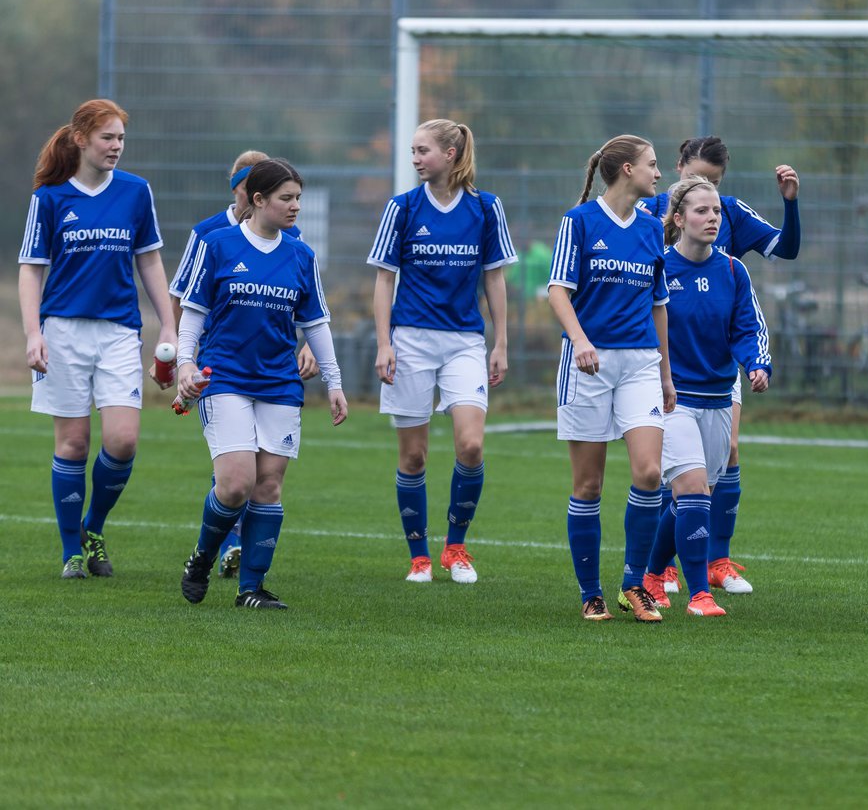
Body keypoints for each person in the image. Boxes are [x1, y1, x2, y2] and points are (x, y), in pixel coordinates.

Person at [176, 158, 347, 610]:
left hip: (279, 384)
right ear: (258, 200)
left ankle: (250, 588)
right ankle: (202, 557)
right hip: (225, 377)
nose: (295, 207)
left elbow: (316, 324)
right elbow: (193, 313)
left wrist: (334, 382)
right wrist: (185, 364)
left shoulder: (301, 256)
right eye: (286, 198)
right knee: (235, 483)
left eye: (298, 199)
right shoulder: (218, 245)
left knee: (268, 485)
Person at [18, 98, 177, 579]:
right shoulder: (49, 197)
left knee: (123, 441)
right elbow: (30, 269)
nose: (116, 147)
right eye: (108, 138)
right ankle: (72, 552)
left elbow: (148, 259)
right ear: (81, 139)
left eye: (121, 139)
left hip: (119, 333)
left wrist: (167, 324)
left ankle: (93, 527)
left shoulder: (135, 191)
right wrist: (32, 334)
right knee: (72, 445)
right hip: (62, 331)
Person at [639, 136, 801, 596]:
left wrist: (757, 363)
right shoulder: (651, 228)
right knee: (687, 484)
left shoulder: (731, 249)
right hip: (667, 383)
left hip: (718, 373)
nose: (709, 205)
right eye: (697, 187)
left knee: (716, 469)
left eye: (713, 188)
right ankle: (693, 588)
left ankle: (700, 562)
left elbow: (778, 260)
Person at [368, 118, 517, 584]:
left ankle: (456, 546)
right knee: (413, 458)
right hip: (410, 340)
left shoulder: (486, 208)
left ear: (450, 154)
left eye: (422, 151)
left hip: (465, 343)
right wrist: (384, 343)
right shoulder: (403, 208)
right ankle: (419, 555)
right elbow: (383, 279)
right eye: (412, 151)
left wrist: (501, 342)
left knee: (471, 445)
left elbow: (494, 276)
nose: (415, 159)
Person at [549, 134, 675, 622]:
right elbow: (558, 290)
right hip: (588, 364)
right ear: (626, 170)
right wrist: (581, 341)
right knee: (589, 486)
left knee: (648, 474)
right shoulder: (578, 222)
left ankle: (632, 585)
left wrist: (666, 374)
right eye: (652, 165)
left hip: (641, 363)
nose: (658, 174)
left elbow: (659, 306)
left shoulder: (650, 228)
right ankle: (590, 592)